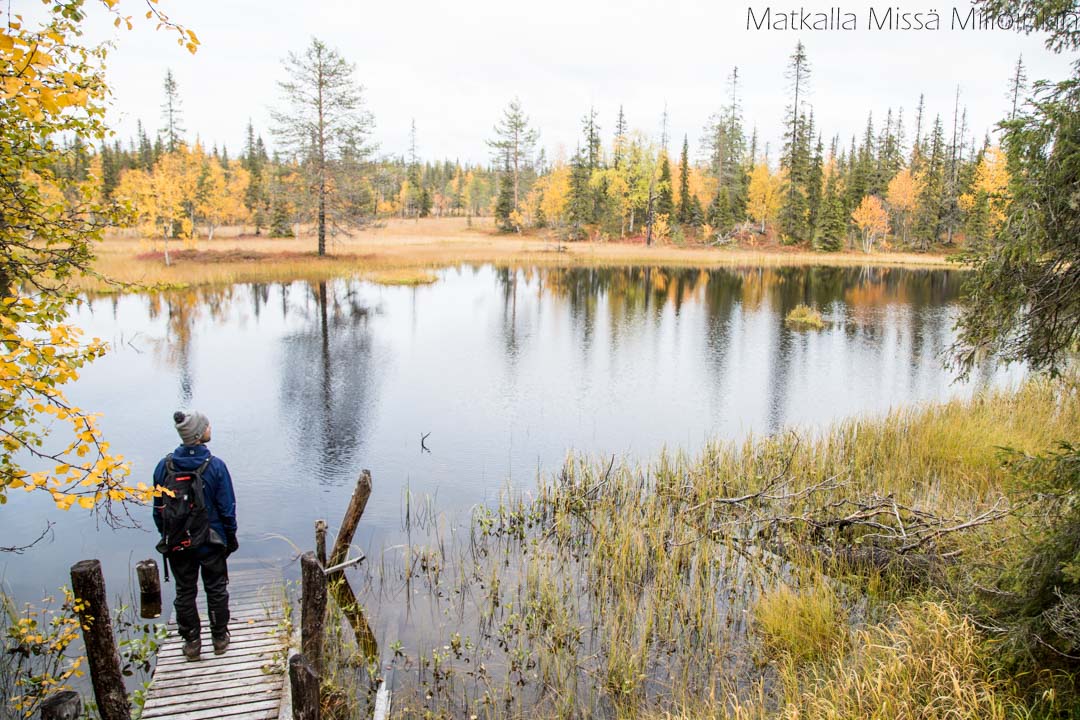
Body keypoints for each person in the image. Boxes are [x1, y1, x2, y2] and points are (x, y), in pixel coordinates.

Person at [153, 410, 239, 661]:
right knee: (216, 589)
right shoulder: (215, 466)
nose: (211, 427)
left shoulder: (164, 466)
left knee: (184, 591)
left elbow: (158, 510)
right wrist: (229, 539)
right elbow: (227, 509)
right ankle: (220, 638)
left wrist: (169, 536)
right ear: (200, 435)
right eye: (207, 425)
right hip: (210, 540)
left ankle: (192, 643)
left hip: (178, 541)